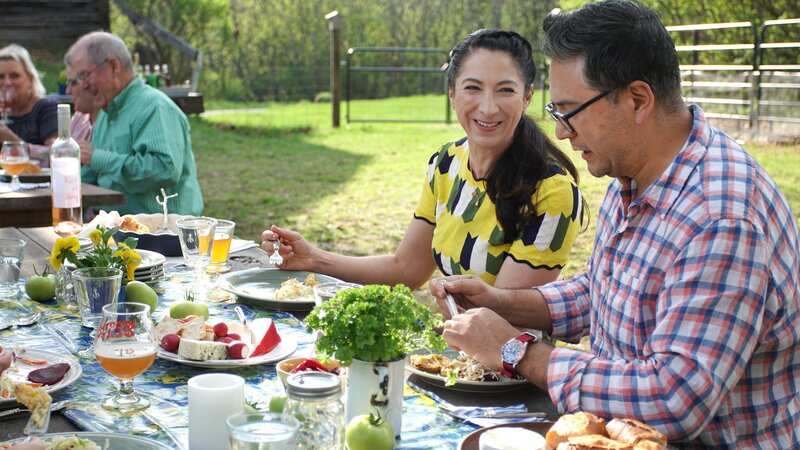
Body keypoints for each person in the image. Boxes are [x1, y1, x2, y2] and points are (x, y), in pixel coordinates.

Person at [433, 1, 799, 448]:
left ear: (638, 100)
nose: (561, 132)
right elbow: (604, 292)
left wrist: (517, 351)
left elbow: (672, 398)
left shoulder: (720, 215)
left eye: (570, 111)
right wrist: (502, 302)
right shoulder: (635, 173)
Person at [262, 29, 584, 290]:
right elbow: (406, 269)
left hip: (507, 350)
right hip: (452, 343)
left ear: (527, 96)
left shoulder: (553, 193)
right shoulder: (446, 163)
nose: (488, 108)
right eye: (473, 88)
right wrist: (314, 259)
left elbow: (503, 313)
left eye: (505, 90)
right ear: (452, 94)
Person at [63, 31, 203, 216]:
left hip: (162, 230)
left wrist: (96, 158)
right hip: (115, 228)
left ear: (113, 66)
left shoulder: (154, 106)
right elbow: (93, 175)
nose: (82, 86)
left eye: (84, 76)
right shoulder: (106, 113)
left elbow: (164, 169)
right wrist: (62, 178)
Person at [0, 44, 57, 165]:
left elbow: (56, 155)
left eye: (14, 76)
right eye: (1, 77)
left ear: (30, 79)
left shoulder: (45, 109)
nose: (7, 83)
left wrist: (13, 141)